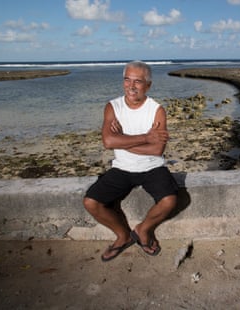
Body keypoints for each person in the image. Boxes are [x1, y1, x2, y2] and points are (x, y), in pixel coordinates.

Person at [83, 60, 178, 262]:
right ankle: (123, 236)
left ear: (148, 85)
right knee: (91, 202)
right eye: (127, 80)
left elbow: (157, 149)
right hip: (122, 168)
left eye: (138, 81)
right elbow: (108, 141)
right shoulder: (113, 107)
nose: (131, 86)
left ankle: (143, 230)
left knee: (170, 200)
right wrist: (145, 137)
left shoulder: (156, 110)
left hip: (152, 166)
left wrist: (122, 140)